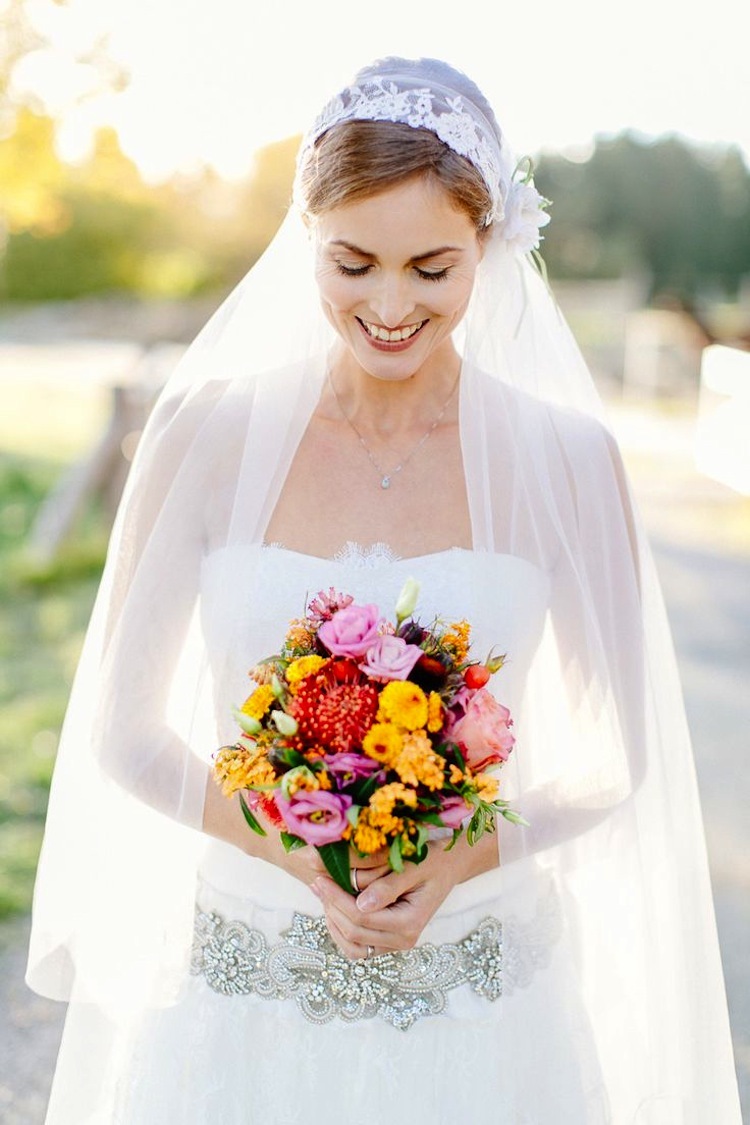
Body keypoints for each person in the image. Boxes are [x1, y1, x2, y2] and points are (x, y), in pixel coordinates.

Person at [27, 57, 741, 1122]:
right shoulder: (205, 437)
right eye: (353, 263)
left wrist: (457, 860)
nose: (391, 305)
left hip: (485, 1015)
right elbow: (125, 732)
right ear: (303, 241)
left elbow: (615, 756)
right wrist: (297, 853)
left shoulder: (569, 459)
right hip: (239, 1004)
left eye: (434, 268)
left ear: (490, 250)